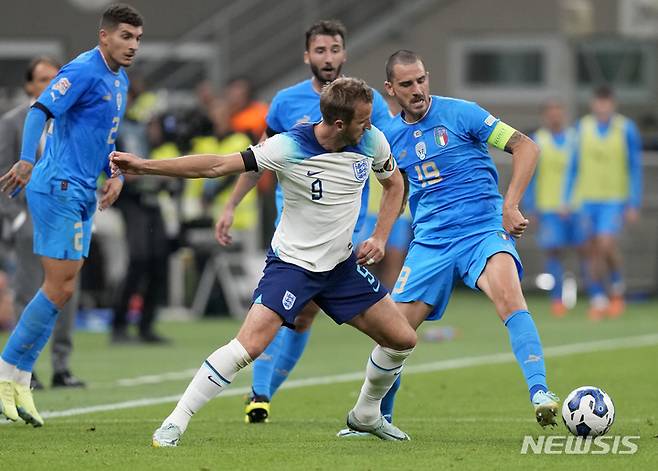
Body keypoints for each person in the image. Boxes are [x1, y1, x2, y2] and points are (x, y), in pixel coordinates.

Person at [111, 77, 417, 447]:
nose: (370, 126)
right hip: (293, 265)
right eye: (363, 120)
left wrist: (380, 236)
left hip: (340, 267)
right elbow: (216, 166)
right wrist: (144, 165)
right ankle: (175, 421)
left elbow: (395, 184)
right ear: (339, 124)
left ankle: (366, 414)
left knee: (402, 339)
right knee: (248, 347)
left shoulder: (371, 141)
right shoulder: (288, 145)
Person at [339, 50, 559, 437]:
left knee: (509, 297)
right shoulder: (387, 138)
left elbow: (526, 146)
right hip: (431, 243)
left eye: (421, 80)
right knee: (394, 335)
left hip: (482, 230)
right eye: (407, 84)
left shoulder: (463, 113)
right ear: (391, 89)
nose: (418, 89)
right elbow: (395, 191)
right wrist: (380, 236)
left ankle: (540, 392)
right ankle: (374, 420)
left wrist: (510, 205)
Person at [215, 20, 393, 424]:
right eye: (320, 50)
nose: (327, 58)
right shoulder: (285, 102)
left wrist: (383, 226)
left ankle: (263, 393)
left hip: (345, 225)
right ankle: (260, 391)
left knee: (304, 314)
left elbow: (388, 159)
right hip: (294, 226)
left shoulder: (369, 106)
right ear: (307, 56)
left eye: (334, 50)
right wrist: (231, 205)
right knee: (288, 312)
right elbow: (259, 156)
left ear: (344, 54)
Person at [0, 4, 143, 426]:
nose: (132, 45)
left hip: (82, 191)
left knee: (62, 292)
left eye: (137, 38)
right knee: (56, 286)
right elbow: (38, 111)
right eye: (125, 37)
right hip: (57, 186)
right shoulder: (81, 70)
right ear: (104, 36)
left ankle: (21, 380)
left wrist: (112, 173)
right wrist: (27, 160)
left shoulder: (120, 79)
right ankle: (7, 373)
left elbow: (104, 137)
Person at [564, 86, 642, 320]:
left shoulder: (626, 128)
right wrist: (566, 199)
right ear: (593, 104)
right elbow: (573, 166)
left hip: (613, 199)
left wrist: (633, 202)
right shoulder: (581, 128)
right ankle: (598, 298)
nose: (602, 106)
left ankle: (617, 288)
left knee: (606, 244)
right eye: (599, 101)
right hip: (586, 199)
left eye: (606, 102)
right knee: (590, 249)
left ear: (613, 104)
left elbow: (634, 167)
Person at [523, 100, 585, 317]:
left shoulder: (575, 139)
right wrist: (531, 205)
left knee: (583, 250)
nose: (555, 118)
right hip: (548, 207)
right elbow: (530, 175)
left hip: (576, 206)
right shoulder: (538, 140)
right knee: (553, 250)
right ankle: (558, 298)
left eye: (558, 113)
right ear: (545, 117)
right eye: (551, 114)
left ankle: (588, 294)